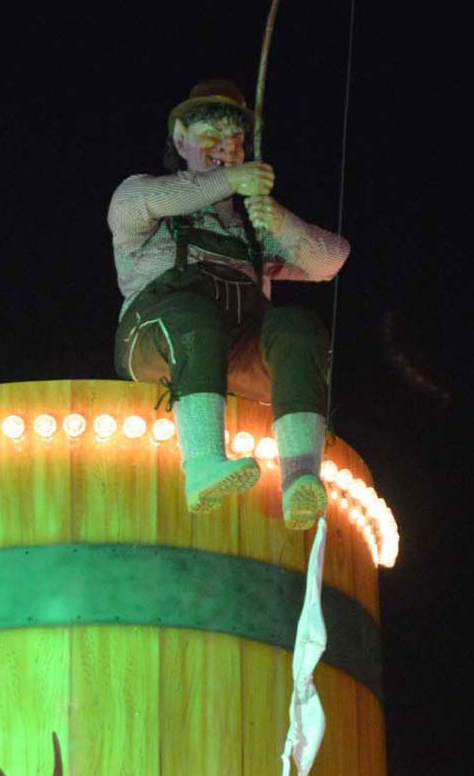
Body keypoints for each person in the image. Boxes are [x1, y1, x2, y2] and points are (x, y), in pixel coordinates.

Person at [107, 79, 350, 529]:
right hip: (157, 339)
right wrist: (231, 180)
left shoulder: (252, 229)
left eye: (236, 138)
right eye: (212, 134)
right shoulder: (144, 199)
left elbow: (330, 261)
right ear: (181, 139)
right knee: (194, 318)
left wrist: (278, 219)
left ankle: (300, 478)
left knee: (297, 327)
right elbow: (144, 202)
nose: (227, 146)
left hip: (236, 350)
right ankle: (202, 465)